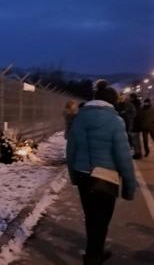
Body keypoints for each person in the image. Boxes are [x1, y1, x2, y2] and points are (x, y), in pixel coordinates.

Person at [67, 80, 136, 265]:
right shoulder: (115, 121)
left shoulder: (79, 118)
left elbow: (71, 150)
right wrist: (129, 187)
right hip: (105, 177)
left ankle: (93, 252)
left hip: (82, 174)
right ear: (112, 103)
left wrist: (74, 176)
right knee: (102, 218)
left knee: (91, 216)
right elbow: (123, 157)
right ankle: (94, 256)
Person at [130, 93, 143, 159]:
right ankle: (138, 153)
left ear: (133, 98)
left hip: (135, 125)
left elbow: (134, 115)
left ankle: (137, 154)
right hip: (137, 125)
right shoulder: (138, 104)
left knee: (135, 140)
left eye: (130, 97)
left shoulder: (134, 105)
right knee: (136, 140)